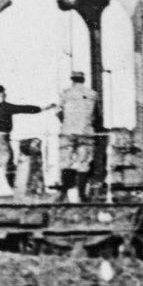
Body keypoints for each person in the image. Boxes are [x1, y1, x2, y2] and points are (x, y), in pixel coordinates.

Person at [0, 85, 47, 200]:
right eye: (4, 92)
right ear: (0, 93)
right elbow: (22, 108)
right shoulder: (3, 107)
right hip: (1, 139)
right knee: (9, 167)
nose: (5, 94)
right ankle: (18, 195)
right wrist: (42, 109)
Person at [57, 70, 99, 202]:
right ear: (83, 80)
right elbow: (97, 115)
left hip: (67, 132)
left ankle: (63, 194)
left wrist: (67, 123)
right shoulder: (92, 94)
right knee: (84, 163)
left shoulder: (65, 93)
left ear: (72, 79)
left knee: (65, 162)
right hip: (86, 133)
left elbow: (59, 113)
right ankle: (82, 194)